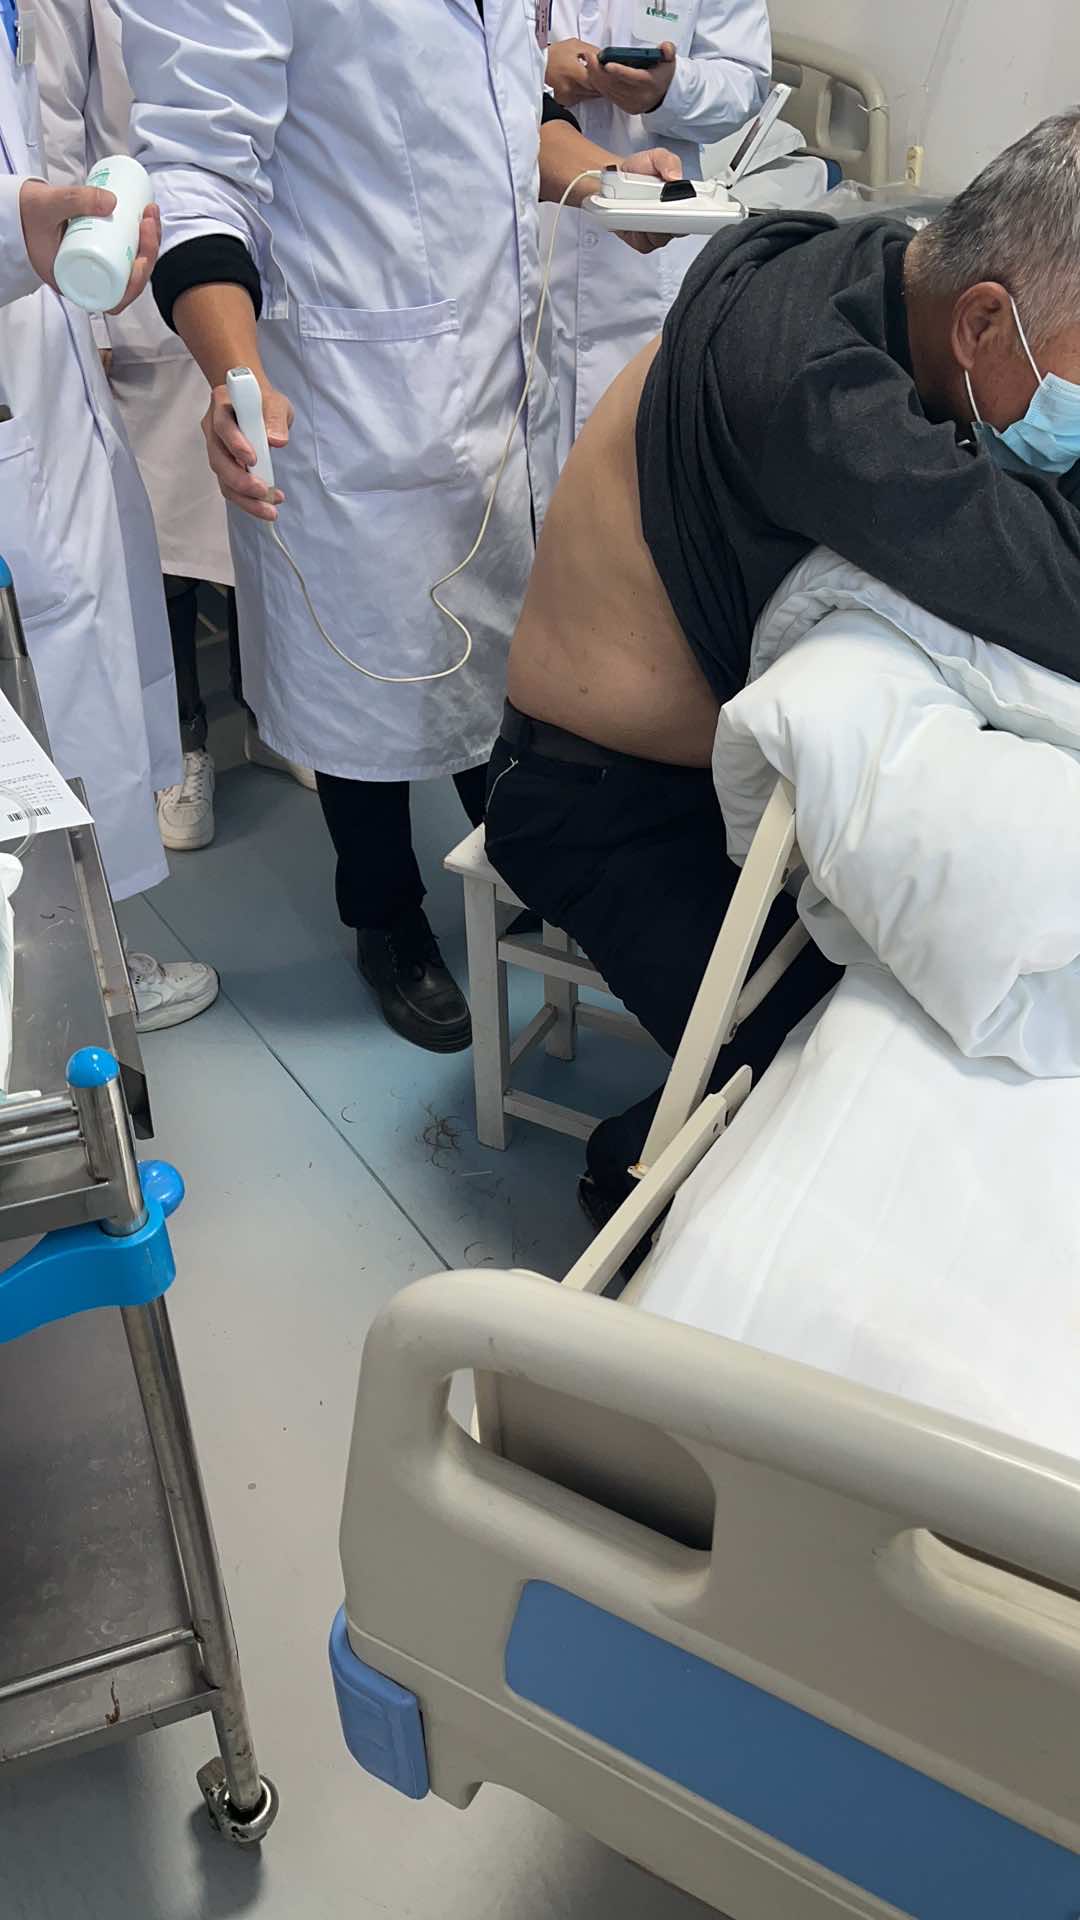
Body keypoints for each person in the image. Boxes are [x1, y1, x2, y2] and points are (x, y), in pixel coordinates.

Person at [484, 111, 1080, 1220]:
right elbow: (1046, 587)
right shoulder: (818, 390)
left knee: (902, 1002)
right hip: (595, 800)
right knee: (830, 1080)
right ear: (984, 322)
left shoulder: (899, 268)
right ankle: (631, 1181)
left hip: (716, 794)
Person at [117, 0, 680, 1054]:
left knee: (502, 656)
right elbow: (196, 169)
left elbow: (503, 110)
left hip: (494, 372)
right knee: (364, 670)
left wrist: (605, 182)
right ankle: (385, 918)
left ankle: (520, 861)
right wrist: (233, 370)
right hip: (348, 385)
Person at [34, 0, 313, 860]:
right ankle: (187, 743)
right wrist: (85, 307)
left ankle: (267, 712)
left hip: (249, 271)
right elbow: (53, 125)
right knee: (168, 544)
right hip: (137, 281)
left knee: (262, 511)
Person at [0, 14, 218, 1030]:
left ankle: (84, 960)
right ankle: (70, 986)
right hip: (21, 387)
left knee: (84, 660)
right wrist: (22, 227)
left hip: (42, 363)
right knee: (45, 691)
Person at [544, 0, 770, 462]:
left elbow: (745, 83)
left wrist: (669, 90)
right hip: (537, 235)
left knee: (634, 467)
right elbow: (453, 68)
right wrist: (536, 73)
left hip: (651, 259)